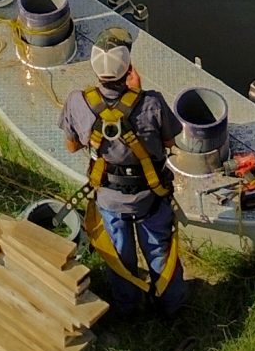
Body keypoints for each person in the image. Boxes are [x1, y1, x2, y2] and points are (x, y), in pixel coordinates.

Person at [61, 29, 187, 316]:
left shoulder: (77, 101)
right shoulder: (152, 103)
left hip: (109, 198)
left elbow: (71, 146)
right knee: (159, 251)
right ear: (128, 68)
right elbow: (169, 142)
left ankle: (127, 308)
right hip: (150, 197)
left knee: (119, 256)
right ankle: (172, 307)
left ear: (95, 68)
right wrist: (137, 95)